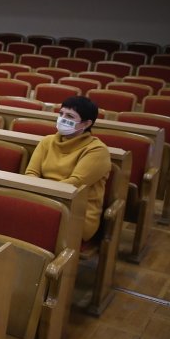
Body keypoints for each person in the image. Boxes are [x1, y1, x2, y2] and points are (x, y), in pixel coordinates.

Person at [25, 96, 111, 242]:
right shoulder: (47, 141)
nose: (62, 119)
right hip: (42, 201)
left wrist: (40, 196)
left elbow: (74, 184)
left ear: (87, 123)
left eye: (70, 116)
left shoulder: (97, 150)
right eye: (61, 114)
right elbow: (31, 173)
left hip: (77, 213)